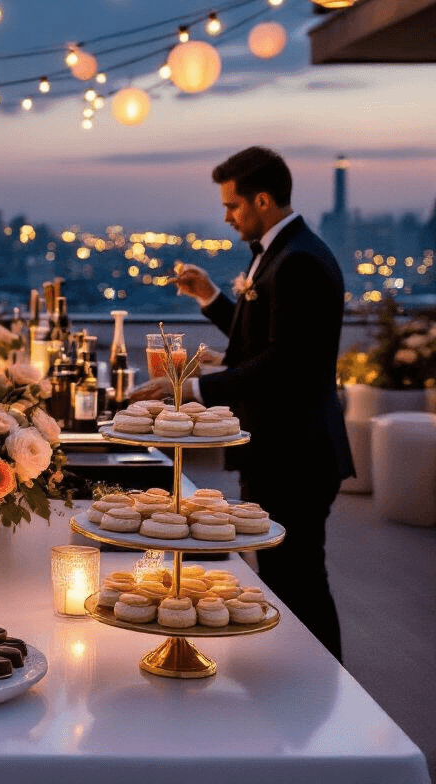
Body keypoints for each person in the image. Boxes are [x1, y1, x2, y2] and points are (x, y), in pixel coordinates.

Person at [132, 146, 354, 660]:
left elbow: (284, 361)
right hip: (281, 445)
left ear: (262, 199)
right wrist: (212, 298)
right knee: (283, 572)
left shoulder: (297, 260)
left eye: (232, 206)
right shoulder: (282, 252)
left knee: (298, 575)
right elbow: (264, 337)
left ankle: (324, 682)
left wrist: (189, 388)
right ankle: (304, 676)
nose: (226, 217)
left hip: (295, 448)